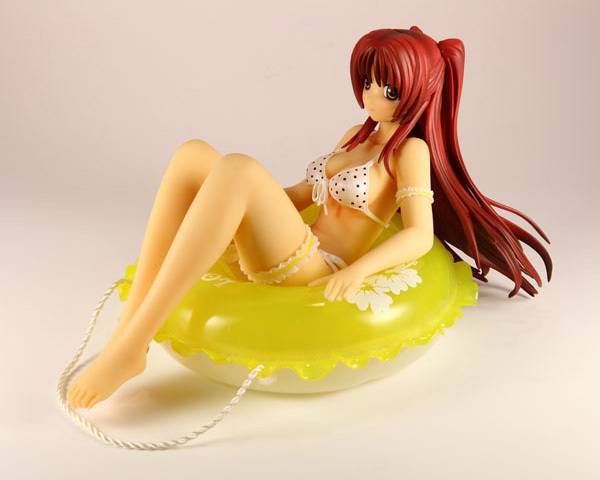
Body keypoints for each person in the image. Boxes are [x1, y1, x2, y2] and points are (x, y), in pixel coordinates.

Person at [67, 27, 552, 409]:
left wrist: (358, 271)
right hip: (296, 239)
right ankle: (127, 334)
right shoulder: (354, 136)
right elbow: (301, 195)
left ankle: (133, 346)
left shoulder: (410, 153)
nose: (372, 97)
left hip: (317, 267)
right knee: (194, 155)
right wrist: (231, 209)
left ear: (415, 92)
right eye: (367, 82)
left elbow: (419, 236)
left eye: (386, 88)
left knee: (238, 167)